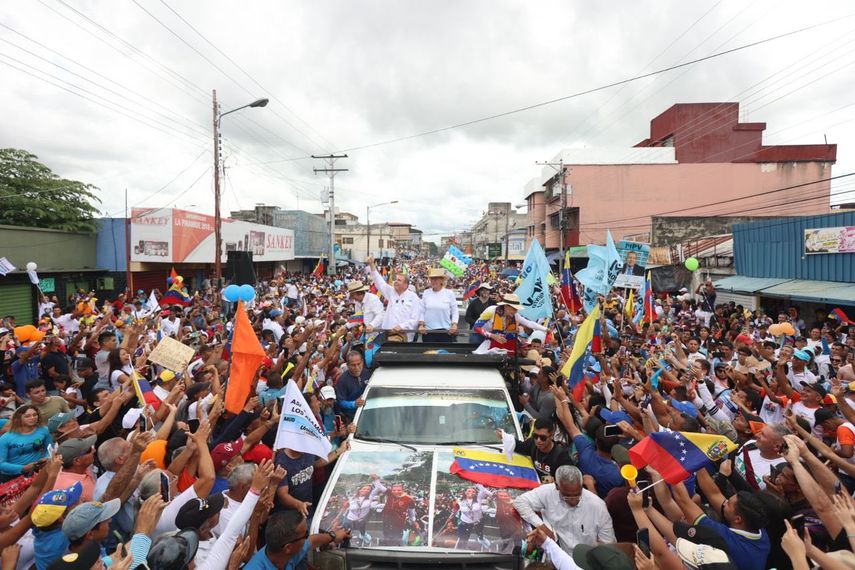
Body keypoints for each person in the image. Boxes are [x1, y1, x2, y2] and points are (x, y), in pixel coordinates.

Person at [513, 465, 615, 556]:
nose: (573, 500)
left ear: (581, 486)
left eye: (577, 495)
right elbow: (520, 502)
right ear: (557, 487)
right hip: (557, 553)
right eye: (567, 496)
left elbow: (608, 544)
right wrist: (541, 526)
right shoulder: (548, 492)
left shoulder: (598, 506)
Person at [366, 256, 421, 342]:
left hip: (405, 338)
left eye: (399, 280)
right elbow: (380, 283)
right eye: (396, 280)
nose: (396, 281)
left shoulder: (413, 297)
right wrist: (372, 265)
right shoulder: (391, 292)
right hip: (388, 336)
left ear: (406, 285)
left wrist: (402, 326)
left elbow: (415, 319)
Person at [472, 294, 546, 355]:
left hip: (495, 339)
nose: (516, 311)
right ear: (506, 306)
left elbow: (528, 323)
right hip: (480, 336)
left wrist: (546, 329)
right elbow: (476, 327)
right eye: (514, 309)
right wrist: (493, 336)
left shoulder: (515, 315)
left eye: (517, 309)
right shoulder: (491, 311)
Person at [0, 404, 51, 479]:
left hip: (37, 471)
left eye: (35, 415)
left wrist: (46, 458)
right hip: (12, 476)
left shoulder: (44, 430)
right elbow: (1, 464)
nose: (32, 418)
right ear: (18, 418)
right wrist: (23, 468)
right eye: (27, 416)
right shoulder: (5, 438)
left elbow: (50, 448)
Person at [418, 268, 459, 342]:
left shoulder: (449, 293)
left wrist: (454, 324)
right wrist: (421, 325)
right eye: (432, 279)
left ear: (441, 280)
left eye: (436, 279)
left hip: (445, 330)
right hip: (428, 331)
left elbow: (455, 311)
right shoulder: (426, 292)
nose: (433, 281)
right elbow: (422, 310)